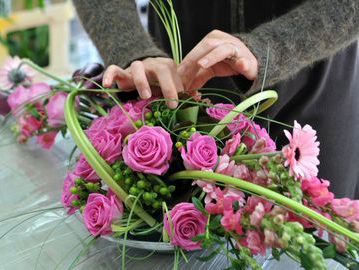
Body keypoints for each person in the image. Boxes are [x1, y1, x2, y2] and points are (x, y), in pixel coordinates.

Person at [72, 0, 359, 199]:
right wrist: (132, 49)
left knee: (311, 241)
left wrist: (272, 47)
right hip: (175, 78)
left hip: (315, 74)